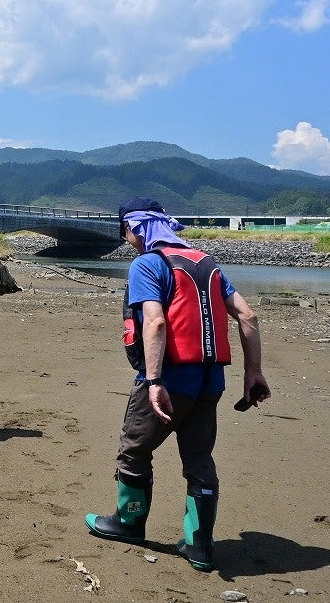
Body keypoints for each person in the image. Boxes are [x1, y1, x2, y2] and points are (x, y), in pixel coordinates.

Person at [84, 197, 269, 573]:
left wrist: (153, 381)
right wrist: (254, 373)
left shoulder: (148, 264)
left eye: (126, 232)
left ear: (135, 228)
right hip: (210, 383)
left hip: (170, 380)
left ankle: (128, 523)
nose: (128, 240)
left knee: (134, 451)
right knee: (198, 459)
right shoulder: (209, 265)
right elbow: (247, 315)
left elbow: (154, 323)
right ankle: (200, 545)